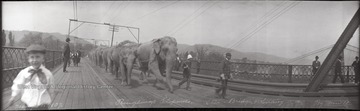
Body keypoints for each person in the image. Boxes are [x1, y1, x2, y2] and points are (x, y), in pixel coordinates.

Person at [6, 44, 55, 110]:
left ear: (43, 58)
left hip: (43, 105)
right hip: (29, 104)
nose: (35, 60)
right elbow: (17, 84)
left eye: (37, 57)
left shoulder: (48, 73)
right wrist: (13, 96)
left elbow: (51, 87)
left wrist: (51, 97)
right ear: (28, 59)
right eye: (32, 57)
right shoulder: (24, 73)